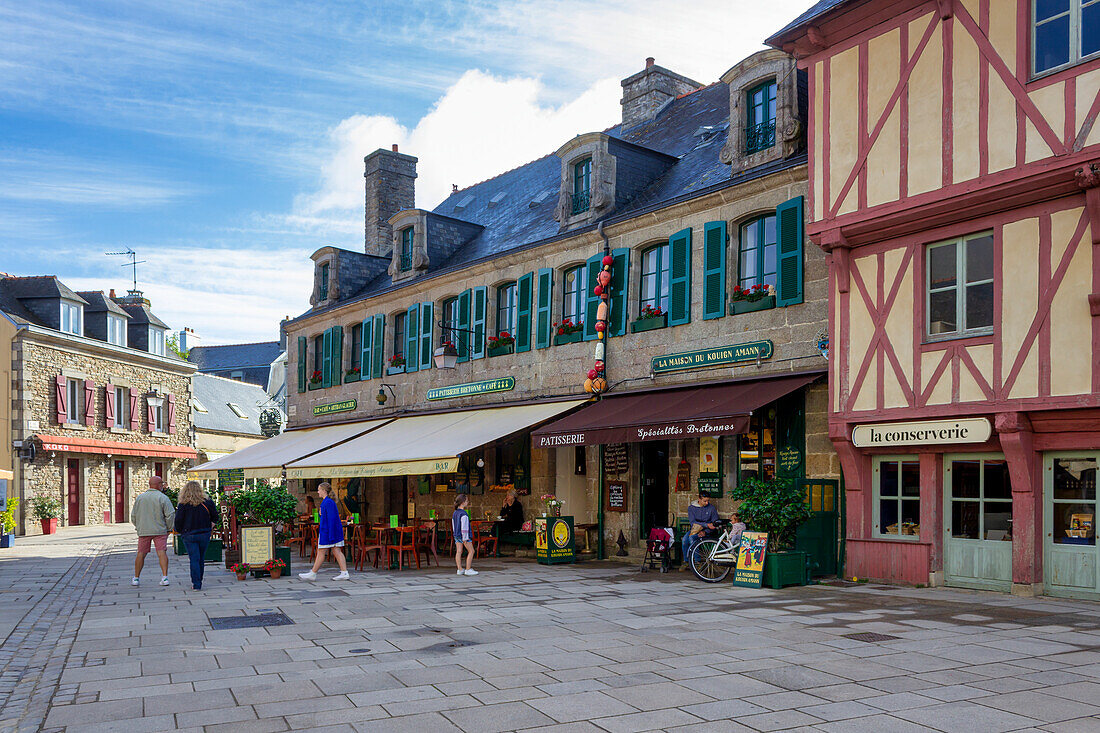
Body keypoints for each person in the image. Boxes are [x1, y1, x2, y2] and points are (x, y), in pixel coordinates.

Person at [300, 482, 349, 580]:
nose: (318, 492)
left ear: (323, 491)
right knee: (336, 551)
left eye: (319, 490)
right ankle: (344, 572)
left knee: (322, 551)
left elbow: (331, 519)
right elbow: (328, 517)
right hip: (331, 531)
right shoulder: (328, 502)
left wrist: (331, 535)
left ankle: (313, 573)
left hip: (328, 532)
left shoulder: (327, 502)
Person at [131, 476, 175, 586]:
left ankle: (136, 578)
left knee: (141, 553)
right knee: (162, 553)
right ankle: (165, 577)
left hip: (144, 530)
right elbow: (170, 514)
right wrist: (169, 528)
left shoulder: (140, 498)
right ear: (159, 485)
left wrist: (138, 526)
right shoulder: (163, 498)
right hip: (160, 530)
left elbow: (133, 515)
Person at [174, 481, 217, 590]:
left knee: (194, 558)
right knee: (201, 558)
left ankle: (196, 583)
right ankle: (199, 580)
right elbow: (215, 516)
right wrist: (210, 526)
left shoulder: (183, 504)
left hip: (189, 534)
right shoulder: (207, 502)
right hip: (204, 533)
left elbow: (178, 520)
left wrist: (179, 531)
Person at [680, 492, 719, 571]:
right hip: (695, 529)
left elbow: (715, 523)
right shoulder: (691, 508)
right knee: (684, 540)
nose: (707, 503)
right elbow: (693, 522)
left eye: (708, 501)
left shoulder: (711, 508)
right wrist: (707, 525)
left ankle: (698, 562)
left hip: (707, 531)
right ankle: (686, 561)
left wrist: (706, 531)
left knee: (691, 538)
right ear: (699, 499)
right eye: (705, 501)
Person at [453, 493, 478, 576]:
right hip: (464, 536)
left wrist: (455, 534)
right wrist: (465, 538)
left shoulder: (455, 513)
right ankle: (468, 569)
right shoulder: (464, 514)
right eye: (467, 501)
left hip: (456, 535)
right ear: (462, 502)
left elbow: (453, 524)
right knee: (471, 551)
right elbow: (464, 527)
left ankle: (459, 569)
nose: (468, 502)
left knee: (459, 551)